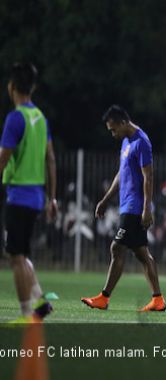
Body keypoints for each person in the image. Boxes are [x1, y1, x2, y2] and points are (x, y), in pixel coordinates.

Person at [81, 105, 166, 311]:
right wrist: (105, 199)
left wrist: (147, 208)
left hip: (135, 208)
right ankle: (158, 299)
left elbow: (149, 176)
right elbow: (122, 173)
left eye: (113, 129)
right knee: (142, 254)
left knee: (117, 248)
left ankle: (104, 297)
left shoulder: (142, 142)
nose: (113, 134)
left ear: (122, 123)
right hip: (126, 205)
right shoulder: (126, 142)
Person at [0, 62, 57, 322]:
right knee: (19, 252)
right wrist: (52, 198)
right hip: (35, 196)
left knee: (16, 255)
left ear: (11, 87)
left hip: (19, 196)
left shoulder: (15, 118)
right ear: (32, 87)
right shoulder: (40, 118)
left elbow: (3, 158)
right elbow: (51, 159)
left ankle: (26, 313)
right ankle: (41, 301)